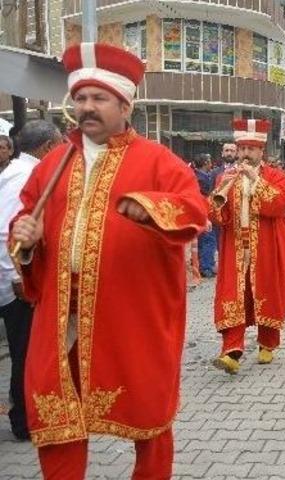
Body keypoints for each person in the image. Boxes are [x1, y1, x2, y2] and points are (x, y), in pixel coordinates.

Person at [10, 42, 208, 479]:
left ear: (125, 104)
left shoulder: (160, 161)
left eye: (99, 98)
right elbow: (27, 222)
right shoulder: (53, 164)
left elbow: (195, 213)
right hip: (63, 317)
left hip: (132, 315)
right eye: (80, 98)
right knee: (57, 419)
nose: (87, 107)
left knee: (148, 418)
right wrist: (25, 239)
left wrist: (152, 208)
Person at [210, 119, 285, 374]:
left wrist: (257, 180)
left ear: (261, 152)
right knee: (232, 295)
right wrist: (218, 201)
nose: (245, 153)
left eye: (250, 149)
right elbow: (216, 216)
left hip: (266, 248)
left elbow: (280, 205)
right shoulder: (226, 177)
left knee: (267, 291)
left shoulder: (276, 176)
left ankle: (267, 343)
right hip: (235, 249)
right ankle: (231, 350)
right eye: (242, 148)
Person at [0, 120, 62, 440]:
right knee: (24, 352)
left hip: (13, 278)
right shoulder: (28, 175)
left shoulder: (19, 172)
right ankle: (24, 420)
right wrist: (17, 276)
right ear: (49, 148)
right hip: (15, 283)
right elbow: (10, 232)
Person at [194, 154, 217, 278]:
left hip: (202, 211)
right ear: (205, 163)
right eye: (209, 161)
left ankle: (205, 264)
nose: (211, 164)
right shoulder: (201, 179)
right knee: (208, 240)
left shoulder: (200, 176)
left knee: (203, 240)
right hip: (204, 211)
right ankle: (206, 267)